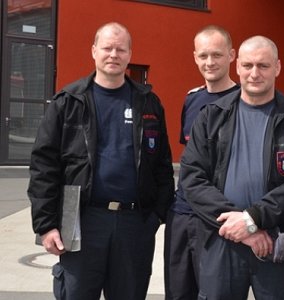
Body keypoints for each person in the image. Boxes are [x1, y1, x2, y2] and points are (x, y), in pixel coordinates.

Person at [27, 22, 175, 300]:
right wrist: (46, 225)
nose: (113, 54)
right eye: (107, 48)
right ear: (94, 51)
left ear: (130, 54)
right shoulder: (68, 101)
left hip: (135, 223)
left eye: (121, 49)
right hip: (84, 220)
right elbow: (44, 166)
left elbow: (163, 165)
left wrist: (156, 215)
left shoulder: (148, 102)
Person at [179, 35, 284, 300]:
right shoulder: (211, 116)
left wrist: (253, 219)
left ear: (277, 67)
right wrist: (242, 228)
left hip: (276, 239)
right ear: (238, 67)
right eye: (248, 65)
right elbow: (192, 179)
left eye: (263, 66)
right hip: (222, 241)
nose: (255, 73)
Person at [164, 25, 239, 300]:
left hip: (218, 217)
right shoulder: (192, 99)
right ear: (195, 57)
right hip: (182, 214)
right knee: (178, 292)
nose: (210, 62)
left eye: (217, 55)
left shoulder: (244, 101)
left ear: (232, 56)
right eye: (203, 55)